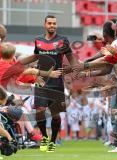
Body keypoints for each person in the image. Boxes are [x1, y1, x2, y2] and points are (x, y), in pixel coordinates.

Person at [32, 15, 80, 152]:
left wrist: (76, 71)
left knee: (56, 115)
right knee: (39, 111)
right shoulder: (38, 40)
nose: (52, 25)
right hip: (41, 81)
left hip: (57, 82)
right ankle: (44, 136)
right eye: (49, 23)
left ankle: (53, 140)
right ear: (45, 24)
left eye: (54, 23)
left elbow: (71, 59)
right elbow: (36, 58)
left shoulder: (63, 40)